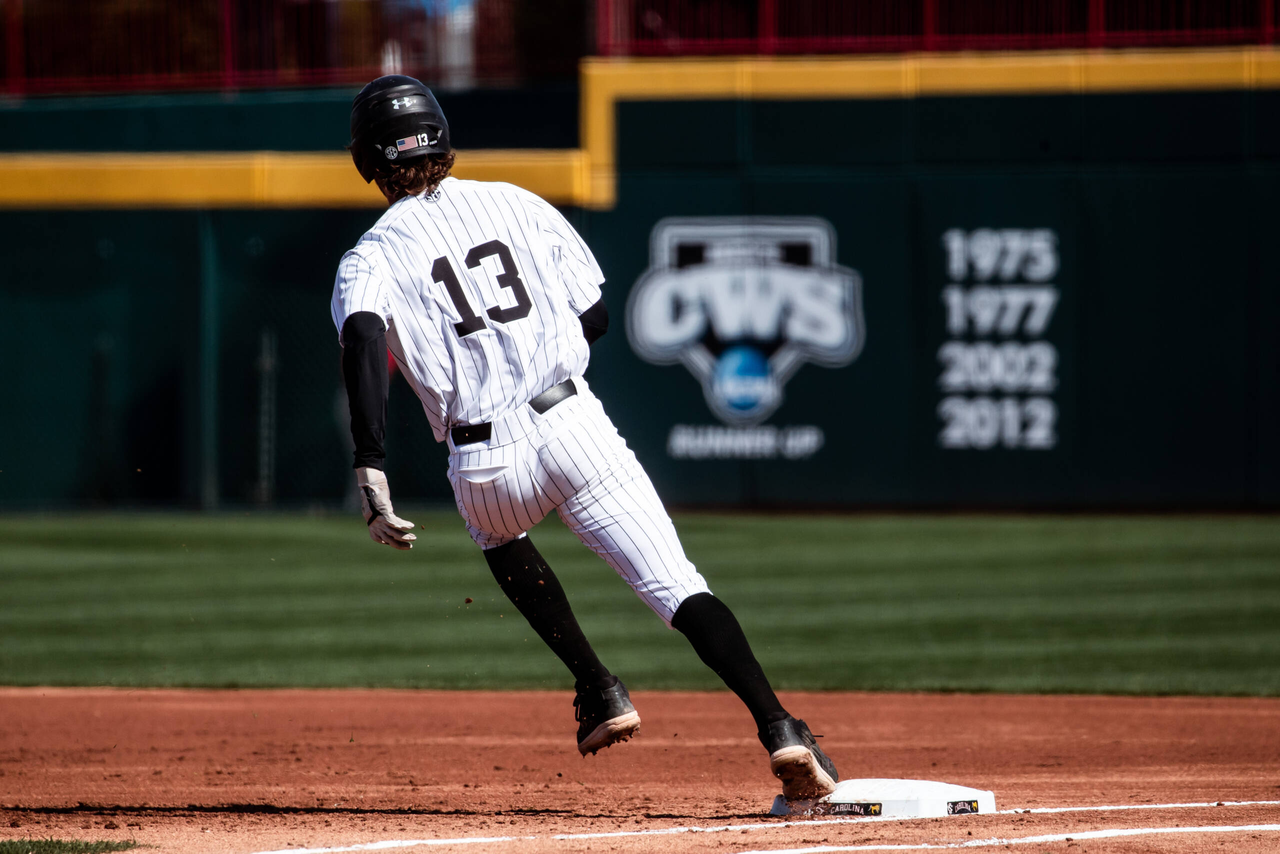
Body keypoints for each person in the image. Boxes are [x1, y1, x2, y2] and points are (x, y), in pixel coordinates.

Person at [331, 75, 838, 801]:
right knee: (677, 585)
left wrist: (370, 461)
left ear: (367, 160)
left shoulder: (369, 256)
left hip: (484, 456)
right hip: (573, 421)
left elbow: (363, 341)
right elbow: (593, 313)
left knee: (502, 543)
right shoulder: (516, 201)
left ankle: (598, 685)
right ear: (441, 138)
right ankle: (780, 726)